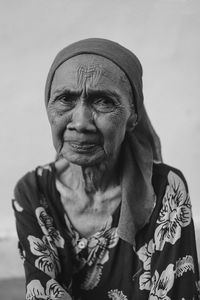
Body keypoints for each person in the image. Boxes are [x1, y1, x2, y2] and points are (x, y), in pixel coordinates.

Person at [12, 38, 200, 300]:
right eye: (65, 98)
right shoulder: (33, 192)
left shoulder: (166, 188)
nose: (80, 122)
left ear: (133, 116)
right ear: (48, 107)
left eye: (103, 102)